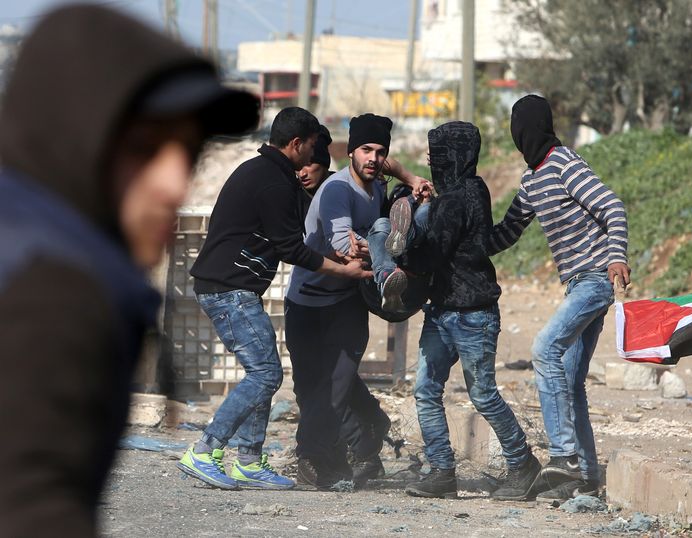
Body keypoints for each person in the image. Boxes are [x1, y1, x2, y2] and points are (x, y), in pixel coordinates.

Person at [0, 4, 259, 535]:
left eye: (187, 154)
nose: (173, 184)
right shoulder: (52, 292)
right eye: (142, 149)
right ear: (68, 136)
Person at [179, 107, 371, 490]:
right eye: (312, 145)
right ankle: (204, 449)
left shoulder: (271, 174)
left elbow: (298, 236)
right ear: (296, 144)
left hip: (234, 288)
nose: (313, 157)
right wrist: (344, 270)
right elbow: (292, 249)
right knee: (266, 373)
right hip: (227, 290)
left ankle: (249, 460)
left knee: (262, 372)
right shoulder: (271, 181)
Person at [488, 95, 631, 501]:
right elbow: (507, 233)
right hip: (576, 284)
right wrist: (464, 242)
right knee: (569, 381)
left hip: (594, 279)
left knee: (544, 348)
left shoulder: (565, 163)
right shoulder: (533, 180)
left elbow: (613, 207)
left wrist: (617, 256)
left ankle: (564, 456)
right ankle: (585, 476)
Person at [285, 113, 428, 490]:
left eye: (380, 152)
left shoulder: (377, 184)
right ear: (350, 152)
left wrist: (411, 179)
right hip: (306, 303)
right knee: (309, 387)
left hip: (346, 303)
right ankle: (366, 435)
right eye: (366, 149)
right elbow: (341, 247)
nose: (373, 158)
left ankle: (313, 461)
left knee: (334, 384)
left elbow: (387, 165)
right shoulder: (336, 191)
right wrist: (375, 251)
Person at [401, 121, 541, 500]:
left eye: (437, 153)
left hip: (471, 314)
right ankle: (443, 472)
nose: (431, 159)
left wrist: (401, 248)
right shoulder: (474, 187)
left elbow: (433, 253)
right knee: (427, 390)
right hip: (445, 310)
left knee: (480, 394)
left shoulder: (454, 200)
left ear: (453, 156)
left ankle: (523, 464)